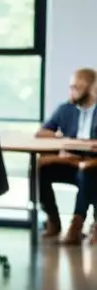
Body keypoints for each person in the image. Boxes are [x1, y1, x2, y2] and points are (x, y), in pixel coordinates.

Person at [35, 68, 97, 245]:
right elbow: (42, 133)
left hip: (93, 164)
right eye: (71, 87)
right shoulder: (66, 109)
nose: (71, 91)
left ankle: (76, 227)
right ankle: (53, 220)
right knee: (41, 168)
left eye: (76, 87)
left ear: (92, 87)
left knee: (87, 172)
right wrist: (61, 139)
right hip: (71, 162)